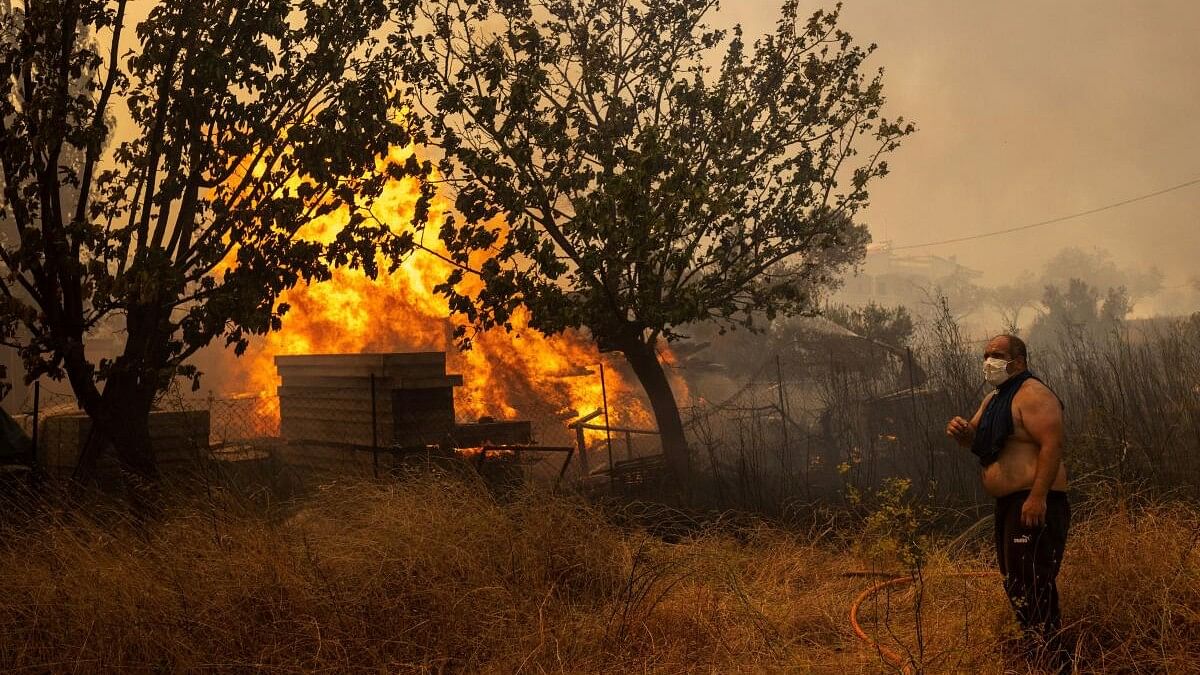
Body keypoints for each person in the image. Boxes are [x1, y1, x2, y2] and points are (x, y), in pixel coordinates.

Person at [945, 334, 1071, 663]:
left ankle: (1052, 659)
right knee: (1016, 581)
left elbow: (1052, 446)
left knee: (1033, 581)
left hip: (1034, 503)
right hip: (1009, 505)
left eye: (997, 354)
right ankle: (1036, 653)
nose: (989, 361)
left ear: (1018, 360)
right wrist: (962, 432)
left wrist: (1037, 497)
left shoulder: (1034, 394)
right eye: (985, 354)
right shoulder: (994, 399)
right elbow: (977, 441)